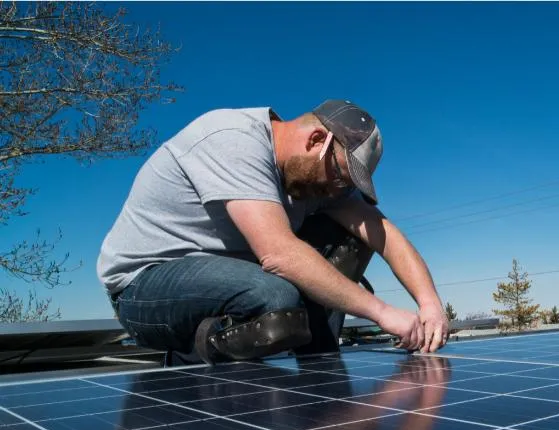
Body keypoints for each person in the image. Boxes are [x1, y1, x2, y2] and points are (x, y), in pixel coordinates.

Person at [97, 99, 448, 364]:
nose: (338, 191)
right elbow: (278, 254)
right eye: (340, 176)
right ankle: (192, 363)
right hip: (143, 290)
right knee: (275, 297)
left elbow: (383, 234)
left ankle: (319, 365)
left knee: (352, 235)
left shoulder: (318, 183)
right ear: (315, 140)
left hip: (229, 283)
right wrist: (383, 313)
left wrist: (429, 304)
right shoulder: (233, 140)